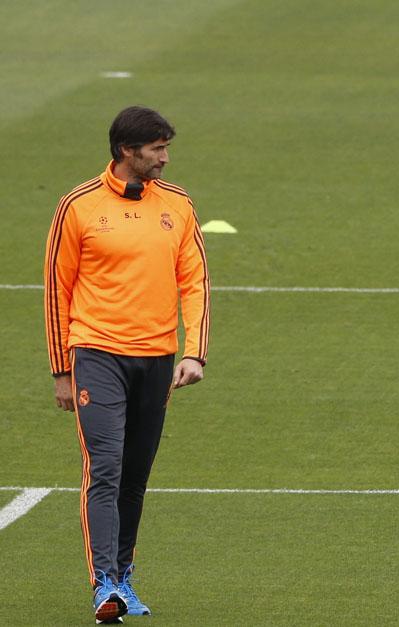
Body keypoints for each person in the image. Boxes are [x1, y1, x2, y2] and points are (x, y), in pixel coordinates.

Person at [44, 106, 210, 622]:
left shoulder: (178, 204)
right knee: (106, 467)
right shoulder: (78, 205)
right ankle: (105, 585)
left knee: (135, 474)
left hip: (157, 358)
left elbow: (195, 281)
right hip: (96, 354)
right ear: (126, 151)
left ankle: (124, 574)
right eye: (157, 149)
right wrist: (61, 370)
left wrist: (194, 351)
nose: (165, 158)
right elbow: (57, 289)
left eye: (166, 148)